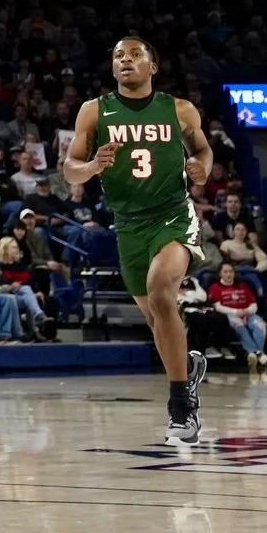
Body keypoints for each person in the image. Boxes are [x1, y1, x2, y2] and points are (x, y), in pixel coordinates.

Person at [63, 35, 215, 442]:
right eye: (117, 56)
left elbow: (203, 151)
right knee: (157, 321)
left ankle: (181, 409)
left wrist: (201, 167)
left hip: (172, 216)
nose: (125, 61)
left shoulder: (178, 109)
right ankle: (187, 366)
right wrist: (93, 165)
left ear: (153, 66)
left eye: (134, 55)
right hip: (127, 224)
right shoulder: (94, 111)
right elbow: (69, 170)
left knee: (162, 291)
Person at [206, 261, 267, 366]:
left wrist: (246, 311)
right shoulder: (215, 287)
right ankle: (256, 353)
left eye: (231, 272)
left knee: (260, 325)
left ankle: (256, 353)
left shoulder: (243, 286)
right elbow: (218, 307)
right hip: (229, 315)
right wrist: (236, 312)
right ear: (220, 274)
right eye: (225, 272)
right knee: (241, 328)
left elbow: (254, 305)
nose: (228, 274)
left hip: (247, 313)